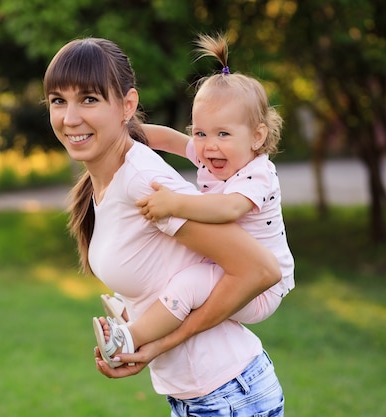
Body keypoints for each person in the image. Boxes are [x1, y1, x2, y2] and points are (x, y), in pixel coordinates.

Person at [44, 36, 285, 416]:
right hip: (205, 395)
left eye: (89, 99)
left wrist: (153, 343)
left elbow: (262, 270)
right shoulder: (108, 178)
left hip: (228, 395)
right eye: (59, 100)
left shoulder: (145, 183)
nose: (70, 117)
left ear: (127, 105)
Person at [94, 33, 295, 368]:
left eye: (223, 134)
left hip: (261, 288)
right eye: (200, 133)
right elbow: (170, 140)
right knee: (175, 268)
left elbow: (229, 208)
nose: (208, 145)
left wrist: (175, 204)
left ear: (257, 136)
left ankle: (130, 336)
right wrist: (121, 131)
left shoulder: (259, 173)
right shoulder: (210, 153)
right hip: (228, 263)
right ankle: (132, 312)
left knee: (186, 285)